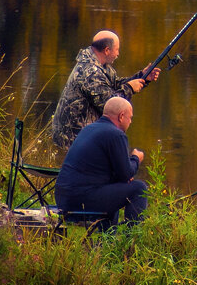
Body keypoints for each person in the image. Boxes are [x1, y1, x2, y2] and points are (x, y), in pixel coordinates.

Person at [51, 30, 161, 149]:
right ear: (107, 50)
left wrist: (142, 77)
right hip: (74, 141)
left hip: (86, 137)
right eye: (117, 49)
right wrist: (130, 88)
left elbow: (114, 85)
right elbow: (111, 105)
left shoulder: (100, 65)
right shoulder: (90, 72)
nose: (118, 54)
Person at [55, 96, 147, 228]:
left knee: (114, 186)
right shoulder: (116, 134)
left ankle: (108, 238)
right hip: (80, 202)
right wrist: (136, 158)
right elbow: (126, 173)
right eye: (130, 117)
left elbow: (120, 174)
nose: (130, 121)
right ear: (121, 116)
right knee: (139, 188)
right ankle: (130, 237)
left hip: (64, 199)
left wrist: (122, 176)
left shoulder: (89, 129)